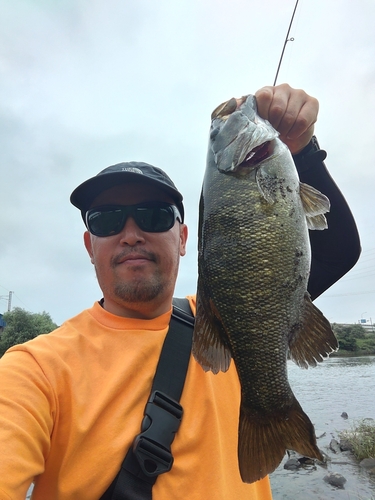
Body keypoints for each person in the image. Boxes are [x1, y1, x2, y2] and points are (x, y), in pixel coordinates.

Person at [0, 84, 361, 500]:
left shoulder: (226, 316)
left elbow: (339, 252)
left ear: (185, 238)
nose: (131, 234)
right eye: (106, 220)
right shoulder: (35, 371)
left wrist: (304, 154)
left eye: (154, 216)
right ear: (89, 245)